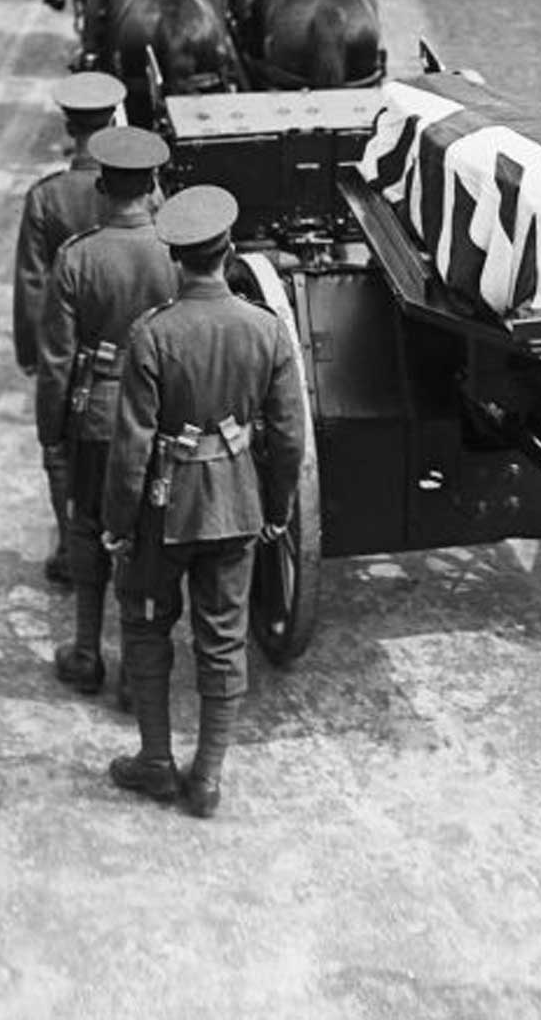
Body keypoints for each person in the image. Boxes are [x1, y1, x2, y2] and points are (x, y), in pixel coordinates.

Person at [103, 186, 308, 817]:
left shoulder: (152, 334)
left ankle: (157, 762)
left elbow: (131, 447)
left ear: (177, 260)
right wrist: (274, 511)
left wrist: (117, 524)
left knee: (145, 625)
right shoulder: (267, 331)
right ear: (230, 251)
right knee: (223, 640)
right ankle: (209, 777)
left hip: (163, 511)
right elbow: (289, 436)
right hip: (236, 507)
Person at [37, 126, 177, 698]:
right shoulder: (178, 253)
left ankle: (88, 652)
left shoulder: (77, 258)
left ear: (102, 187)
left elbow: (56, 361)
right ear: (153, 186)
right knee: (145, 540)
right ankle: (134, 676)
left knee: (88, 527)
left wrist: (52, 432)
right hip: (163, 417)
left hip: (96, 416)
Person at [12, 70, 126, 583]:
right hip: (129, 349)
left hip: (71, 352)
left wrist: (32, 352)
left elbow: (32, 284)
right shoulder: (137, 189)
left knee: (58, 449)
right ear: (113, 119)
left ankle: (70, 548)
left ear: (68, 124)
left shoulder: (47, 198)